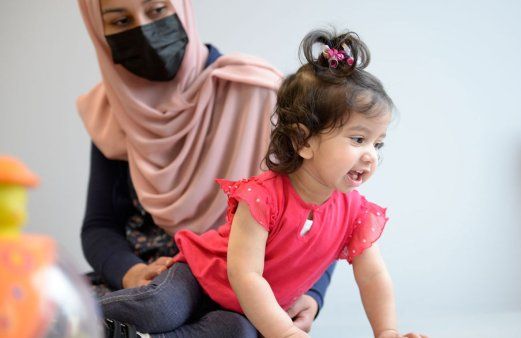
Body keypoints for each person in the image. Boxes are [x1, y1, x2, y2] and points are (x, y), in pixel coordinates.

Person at [99, 28, 428, 338]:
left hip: (241, 309)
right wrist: (284, 332)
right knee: (160, 309)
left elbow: (372, 276)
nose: (371, 155)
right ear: (304, 141)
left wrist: (387, 332)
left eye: (377, 143)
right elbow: (246, 275)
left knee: (237, 332)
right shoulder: (262, 197)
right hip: (200, 279)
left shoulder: (355, 212)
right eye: (358, 138)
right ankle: (64, 314)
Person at [77, 0, 335, 336]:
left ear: (181, 9)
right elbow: (99, 226)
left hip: (245, 279)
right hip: (150, 281)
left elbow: (323, 209)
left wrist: (313, 296)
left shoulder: (261, 94)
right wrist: (131, 273)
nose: (143, 29)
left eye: (157, 10)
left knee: (236, 330)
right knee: (62, 306)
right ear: (99, 31)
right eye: (121, 20)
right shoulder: (112, 111)